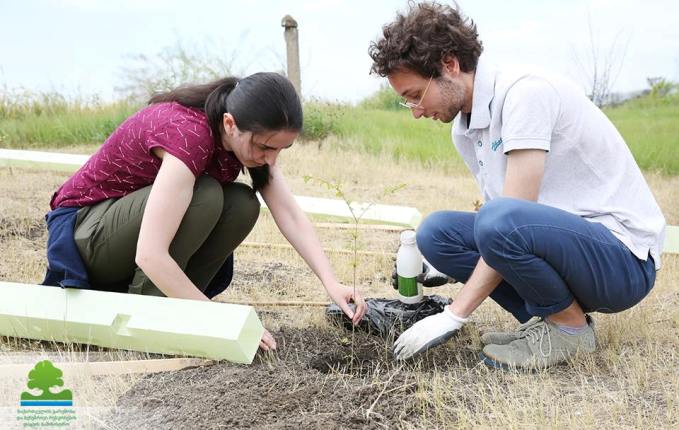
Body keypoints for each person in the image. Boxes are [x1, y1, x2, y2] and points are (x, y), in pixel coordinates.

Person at [369, 2, 666, 369]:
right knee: (436, 234)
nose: (414, 110)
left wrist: (454, 314)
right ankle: (549, 320)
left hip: (622, 260)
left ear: (449, 64)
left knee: (498, 220)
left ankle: (569, 329)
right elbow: (506, 229)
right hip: (564, 246)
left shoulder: (524, 92)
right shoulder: (465, 130)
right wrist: (442, 268)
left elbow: (510, 219)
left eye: (415, 94)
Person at [42, 72, 366, 351]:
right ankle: (149, 311)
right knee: (207, 194)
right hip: (85, 233)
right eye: (265, 146)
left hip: (122, 238)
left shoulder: (244, 140)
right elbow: (150, 255)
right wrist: (219, 320)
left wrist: (331, 282)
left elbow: (290, 215)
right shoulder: (189, 135)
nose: (270, 158)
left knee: (242, 203)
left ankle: (180, 310)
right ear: (230, 123)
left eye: (281, 149)